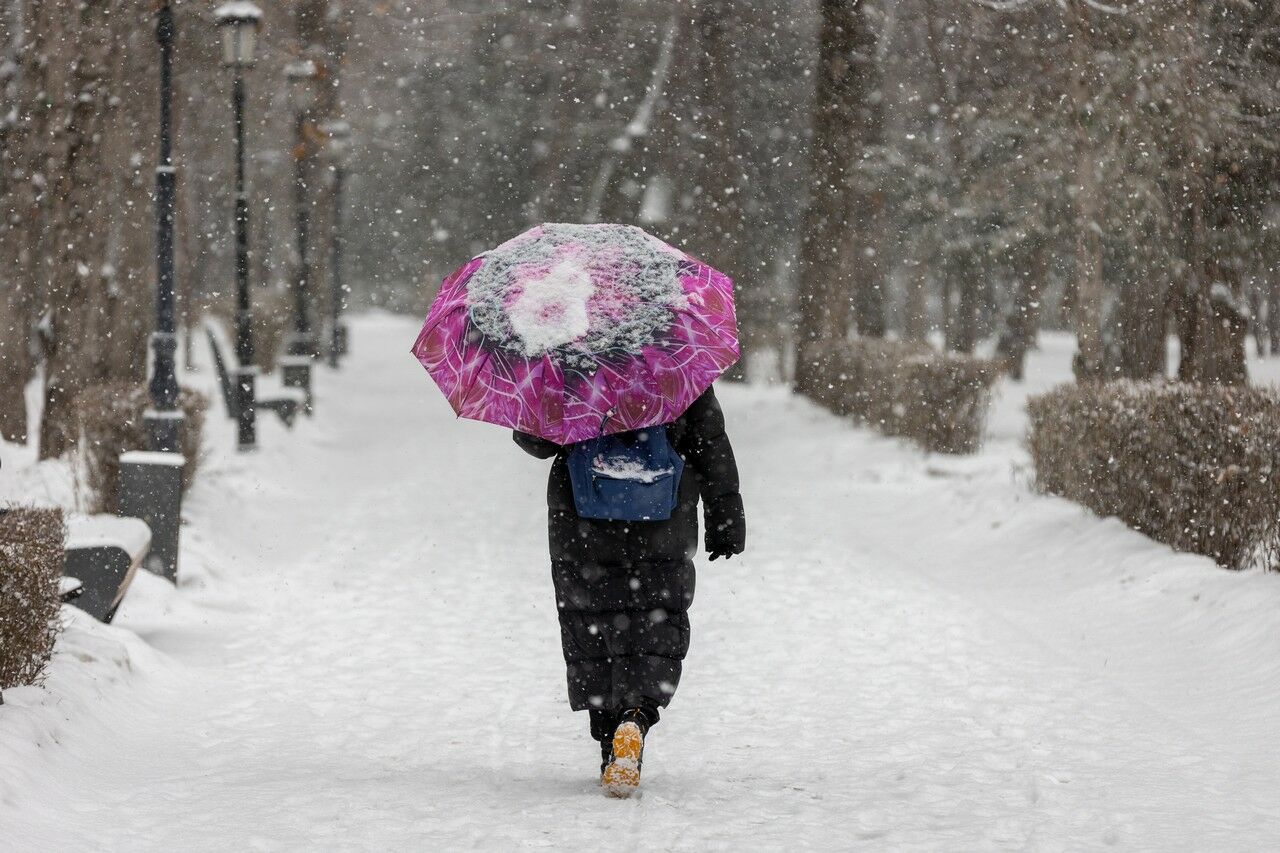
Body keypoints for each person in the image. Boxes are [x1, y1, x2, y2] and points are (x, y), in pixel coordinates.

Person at [513, 385, 745, 797]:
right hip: (662, 514)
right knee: (656, 617)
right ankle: (635, 715)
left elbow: (534, 439)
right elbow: (709, 440)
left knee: (592, 625)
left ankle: (609, 740)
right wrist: (725, 513)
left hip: (583, 519)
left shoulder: (568, 362)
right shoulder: (674, 360)